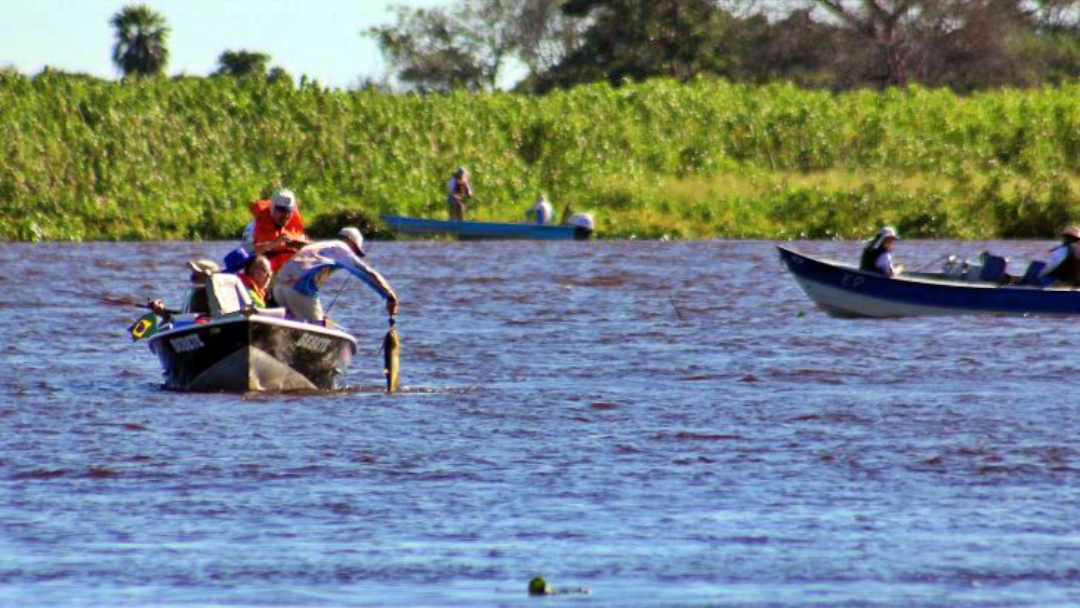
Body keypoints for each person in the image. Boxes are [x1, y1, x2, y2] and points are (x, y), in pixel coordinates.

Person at [273, 227, 398, 324]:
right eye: (356, 251)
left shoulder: (320, 246)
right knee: (318, 329)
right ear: (350, 242)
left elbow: (303, 248)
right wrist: (389, 295)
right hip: (299, 290)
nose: (355, 255)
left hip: (279, 287)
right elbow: (365, 272)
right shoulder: (342, 248)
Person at [249, 188, 309, 273]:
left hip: (291, 269)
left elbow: (306, 245)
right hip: (266, 271)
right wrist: (273, 244)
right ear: (272, 208)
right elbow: (250, 252)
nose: (286, 215)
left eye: (289, 211)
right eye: (282, 210)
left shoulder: (294, 223)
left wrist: (304, 245)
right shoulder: (255, 225)